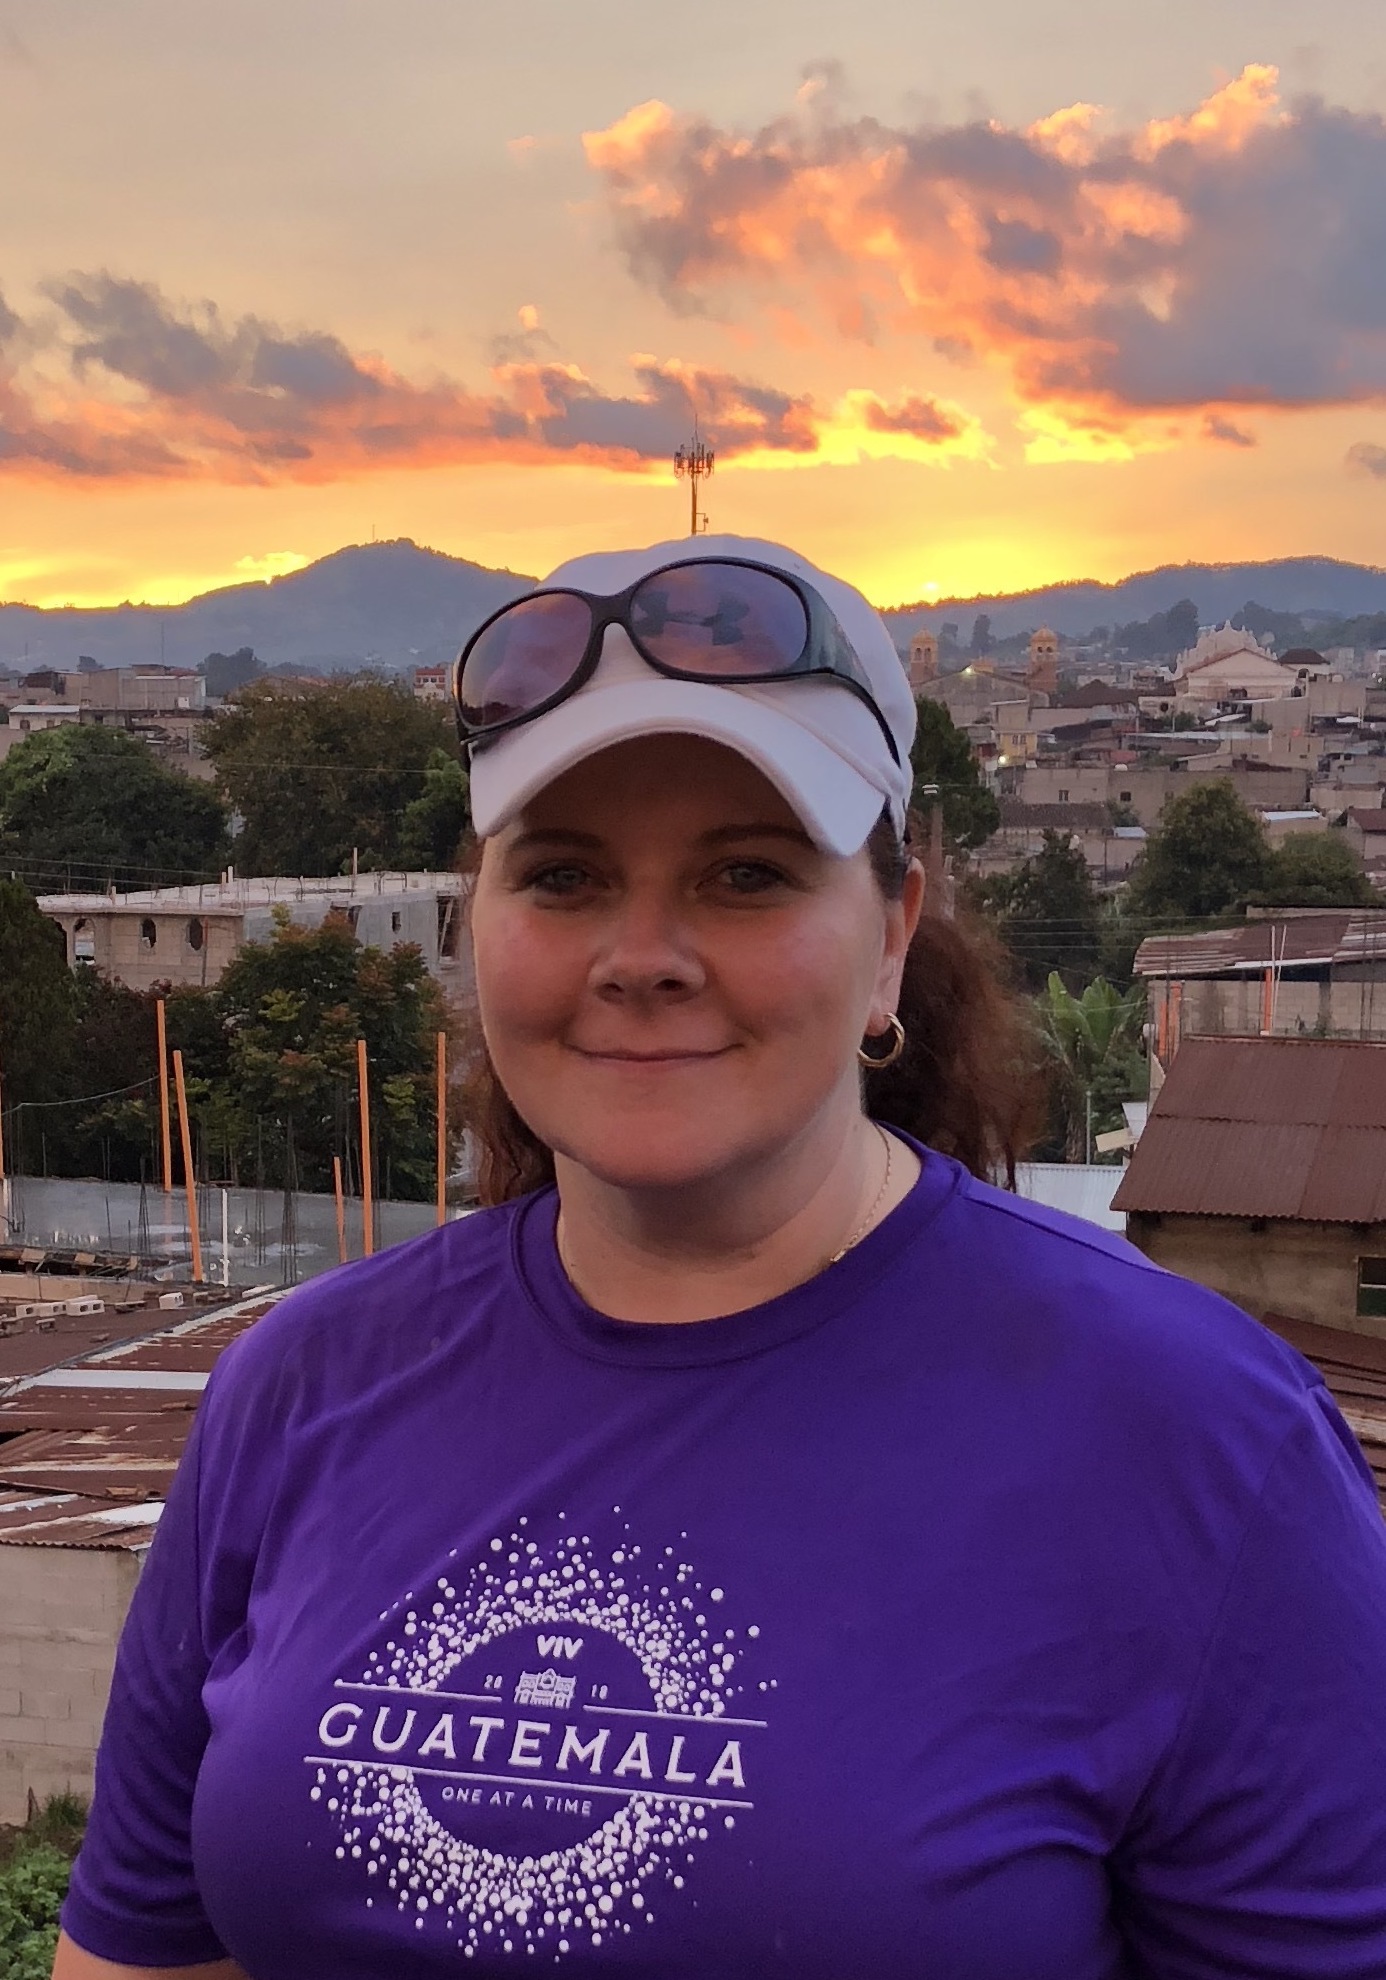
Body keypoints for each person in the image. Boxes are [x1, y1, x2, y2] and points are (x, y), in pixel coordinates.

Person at [56, 537, 1386, 1980]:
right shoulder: (300, 1387)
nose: (643, 955)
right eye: (563, 876)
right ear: (476, 924)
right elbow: (143, 1952)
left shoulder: (1198, 1437)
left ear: (892, 931)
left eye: (746, 874)